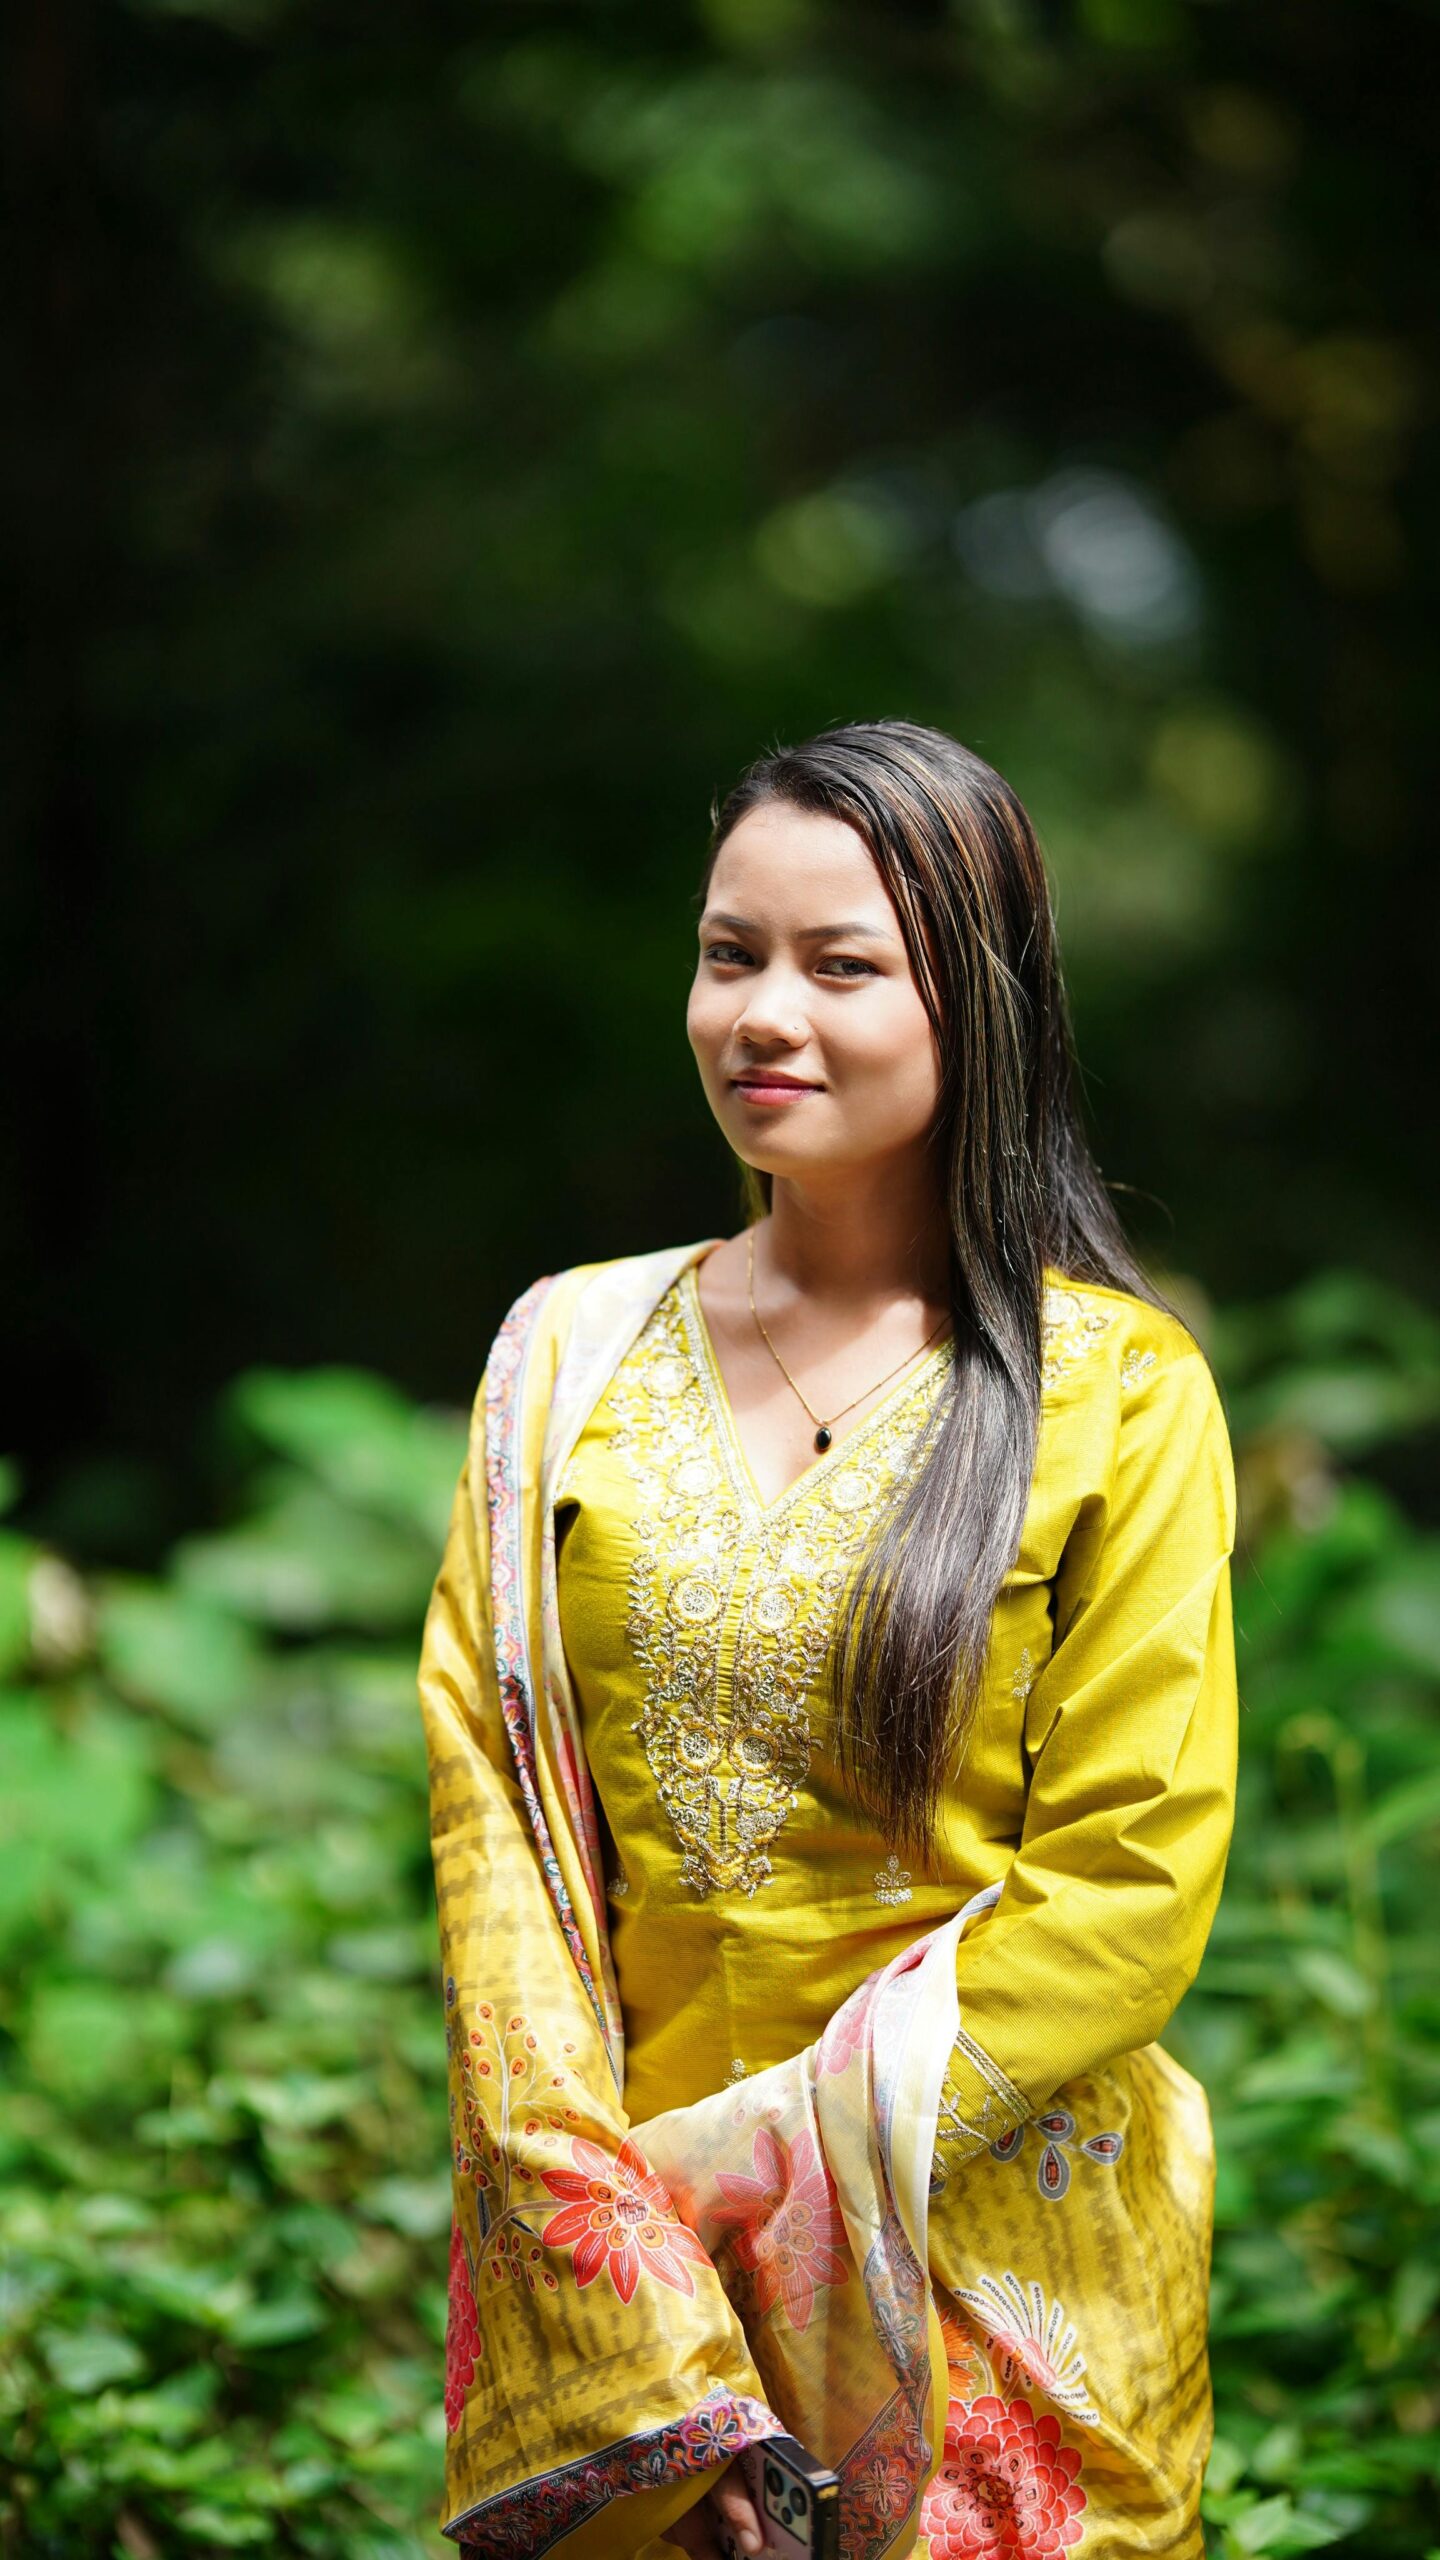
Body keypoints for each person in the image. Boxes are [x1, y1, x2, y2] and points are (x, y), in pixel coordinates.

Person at [418, 719, 1239, 2560]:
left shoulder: (1118, 1396)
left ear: (984, 1004)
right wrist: (629, 2290)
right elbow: (504, 1866)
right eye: (730, 956)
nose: (761, 1015)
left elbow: (1127, 1886)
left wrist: (733, 2191)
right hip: (630, 2308)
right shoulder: (565, 1364)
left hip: (1004, 2297)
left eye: (840, 964)